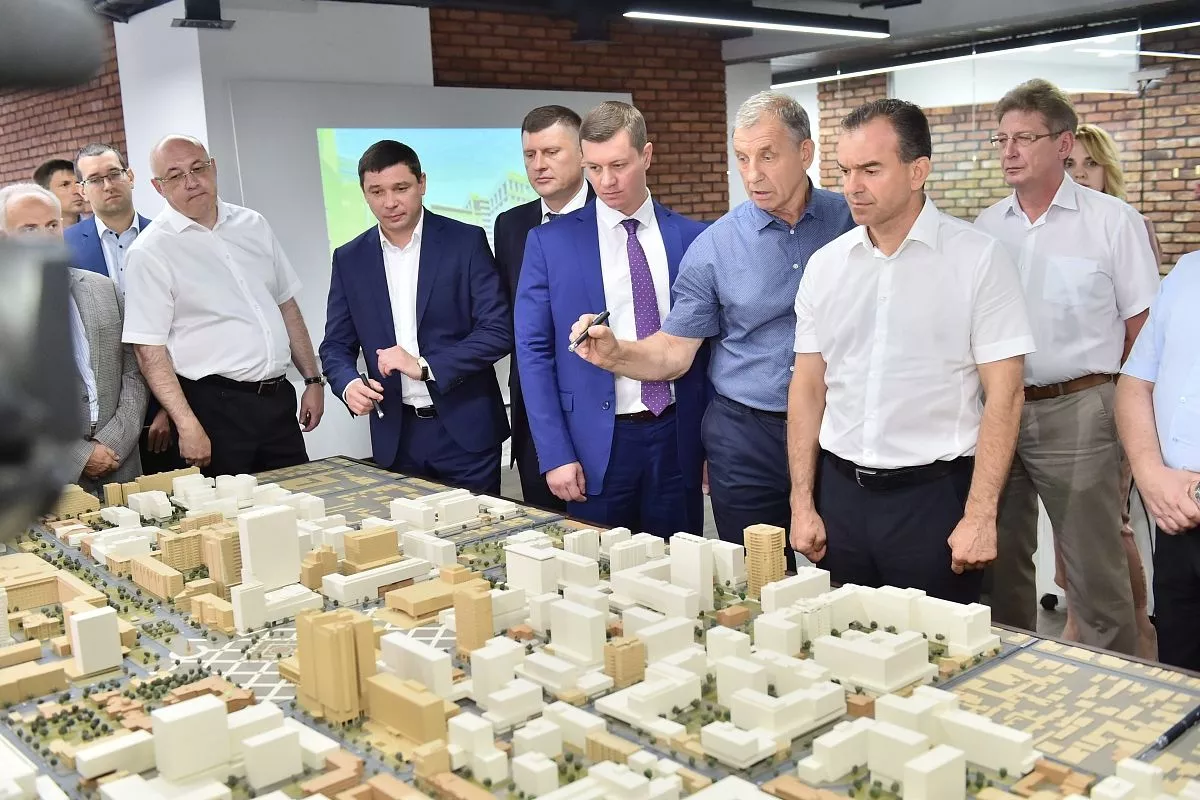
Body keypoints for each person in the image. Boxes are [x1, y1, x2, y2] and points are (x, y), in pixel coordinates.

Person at [569, 91, 853, 552]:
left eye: (767, 156)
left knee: (849, 568)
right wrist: (617, 354)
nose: (752, 174)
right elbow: (674, 352)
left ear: (805, 153)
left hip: (842, 426)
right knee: (760, 572)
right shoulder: (714, 246)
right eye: (742, 158)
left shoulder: (852, 223)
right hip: (747, 437)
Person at [785, 100, 1032, 602]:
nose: (852, 186)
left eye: (871, 169)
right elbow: (808, 388)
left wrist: (980, 515)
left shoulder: (978, 260)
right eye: (845, 171)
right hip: (840, 499)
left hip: (934, 502)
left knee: (935, 646)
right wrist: (802, 502)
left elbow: (1005, 395)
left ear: (918, 171)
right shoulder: (826, 266)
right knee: (841, 641)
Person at [975, 80, 1159, 655]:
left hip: (1081, 408)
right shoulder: (986, 227)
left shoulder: (1113, 222)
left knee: (1094, 573)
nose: (1009, 151)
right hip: (999, 409)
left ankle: (1112, 689)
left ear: (1062, 143)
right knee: (998, 562)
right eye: (1001, 139)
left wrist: (1128, 428)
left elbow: (1143, 335)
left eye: (1023, 138)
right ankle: (1008, 675)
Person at [517, 101, 708, 537]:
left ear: (647, 155)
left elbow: (709, 351)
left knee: (682, 563)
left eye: (618, 165)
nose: (606, 181)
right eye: (594, 168)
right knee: (598, 569)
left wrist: (712, 446)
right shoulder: (549, 243)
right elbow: (533, 353)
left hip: (677, 436)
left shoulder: (692, 238)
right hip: (593, 444)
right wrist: (555, 453)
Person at [122, 135, 325, 477]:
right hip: (213, 409)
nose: (191, 181)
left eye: (198, 168)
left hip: (277, 400)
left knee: (299, 497)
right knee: (231, 509)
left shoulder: (253, 224)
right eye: (175, 175)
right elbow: (148, 352)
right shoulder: (150, 251)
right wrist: (186, 423)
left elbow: (286, 306)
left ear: (213, 167)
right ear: (158, 187)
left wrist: (313, 379)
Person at [320, 140, 511, 494]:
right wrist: (348, 384)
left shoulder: (465, 241)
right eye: (377, 191)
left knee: (479, 529)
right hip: (396, 437)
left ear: (422, 183)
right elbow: (334, 345)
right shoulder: (349, 258)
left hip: (466, 433)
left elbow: (498, 331)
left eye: (400, 188)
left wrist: (425, 366)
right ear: (364, 193)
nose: (389, 202)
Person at [1056, 122, 1160, 659]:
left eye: (1089, 164)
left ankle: (1136, 629)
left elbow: (1142, 329)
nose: (1079, 174)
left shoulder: (1125, 224)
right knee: (1072, 533)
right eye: (1070, 164)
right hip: (1052, 404)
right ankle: (1081, 619)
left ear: (1107, 170)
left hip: (1107, 399)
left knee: (1108, 530)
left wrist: (1115, 399)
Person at [0, 182, 147, 492]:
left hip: (122, 468)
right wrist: (79, 456)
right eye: (29, 229)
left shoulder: (103, 289)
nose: (45, 237)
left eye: (52, 225)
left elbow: (135, 371)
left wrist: (114, 441)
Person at [493, 105, 594, 510]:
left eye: (551, 152)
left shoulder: (611, 218)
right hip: (534, 415)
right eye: (530, 155)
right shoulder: (511, 225)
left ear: (583, 153)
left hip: (601, 410)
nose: (539, 165)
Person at [64, 143, 184, 476]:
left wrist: (169, 407)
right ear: (82, 190)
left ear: (130, 176)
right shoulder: (64, 249)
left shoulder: (170, 238)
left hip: (175, 411)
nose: (107, 185)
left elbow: (186, 327)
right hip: (101, 425)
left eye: (114, 174)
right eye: (94, 179)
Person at [1118, 249, 1200, 670]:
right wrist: (1150, 474)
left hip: (1184, 500)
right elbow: (1135, 382)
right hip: (1175, 517)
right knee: (1180, 672)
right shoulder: (1188, 272)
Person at [33, 158, 85, 227]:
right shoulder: (34, 233)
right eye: (65, 185)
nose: (78, 191)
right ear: (46, 194)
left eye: (78, 183)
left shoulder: (97, 229)